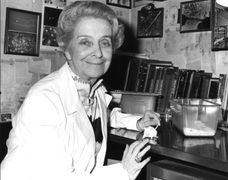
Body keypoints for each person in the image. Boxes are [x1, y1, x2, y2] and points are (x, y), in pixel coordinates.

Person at [0, 1, 160, 180]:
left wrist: (137, 122)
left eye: (105, 43)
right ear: (67, 49)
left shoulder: (94, 88)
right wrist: (123, 171)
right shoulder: (44, 99)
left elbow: (97, 116)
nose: (98, 53)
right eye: (86, 42)